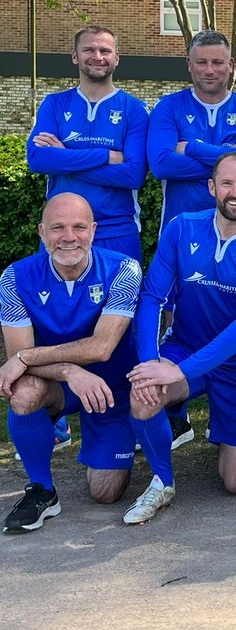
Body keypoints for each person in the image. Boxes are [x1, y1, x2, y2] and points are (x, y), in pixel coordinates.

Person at [123, 151, 236, 524]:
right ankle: (162, 482)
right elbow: (151, 298)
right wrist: (152, 362)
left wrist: (180, 372)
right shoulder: (182, 227)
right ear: (211, 187)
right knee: (144, 392)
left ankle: (235, 431)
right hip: (184, 347)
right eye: (227, 183)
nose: (235, 192)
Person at [0, 195, 141, 533]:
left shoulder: (124, 268)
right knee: (23, 391)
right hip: (62, 385)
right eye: (58, 228)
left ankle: (124, 437)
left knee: (106, 492)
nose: (68, 237)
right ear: (42, 232)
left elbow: (102, 347)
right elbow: (20, 357)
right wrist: (69, 371)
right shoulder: (14, 277)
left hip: (112, 390)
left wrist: (24, 358)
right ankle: (41, 490)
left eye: (79, 227)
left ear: (93, 230)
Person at [26, 25, 149, 262]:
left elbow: (133, 175)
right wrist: (106, 156)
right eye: (88, 50)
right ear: (75, 56)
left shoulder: (135, 110)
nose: (97, 57)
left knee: (122, 299)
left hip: (117, 230)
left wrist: (64, 158)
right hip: (62, 232)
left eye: (105, 50)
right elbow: (37, 159)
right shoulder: (54, 104)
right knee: (60, 300)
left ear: (116, 58)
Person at [147, 30, 236, 232]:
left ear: (231, 65)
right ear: (189, 63)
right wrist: (232, 159)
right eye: (201, 62)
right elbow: (162, 165)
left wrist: (191, 148)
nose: (209, 70)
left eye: (217, 62)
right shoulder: (168, 107)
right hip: (180, 229)